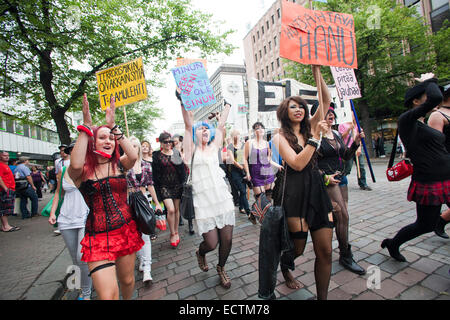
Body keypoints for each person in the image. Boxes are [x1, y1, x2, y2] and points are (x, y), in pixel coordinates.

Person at [68, 94, 143, 300]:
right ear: (93, 143)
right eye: (102, 137)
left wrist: (114, 127)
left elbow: (134, 156)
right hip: (97, 236)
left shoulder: (118, 165)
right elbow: (74, 165)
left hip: (125, 229)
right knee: (108, 294)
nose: (108, 140)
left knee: (127, 281)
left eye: (110, 138)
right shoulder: (82, 171)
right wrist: (86, 127)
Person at [271, 65, 334, 300]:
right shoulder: (279, 137)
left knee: (325, 251)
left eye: (300, 106)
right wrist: (316, 138)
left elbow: (325, 99)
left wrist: (317, 71)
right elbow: (297, 164)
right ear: (284, 113)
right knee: (297, 249)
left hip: (317, 191)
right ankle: (286, 266)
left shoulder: (311, 125)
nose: (298, 109)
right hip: (295, 194)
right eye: (292, 106)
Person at [381, 74, 450, 262]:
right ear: (416, 101)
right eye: (426, 96)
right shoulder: (406, 121)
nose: (434, 100)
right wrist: (430, 80)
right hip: (429, 181)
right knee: (425, 225)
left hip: (446, 178)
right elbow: (436, 97)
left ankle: (441, 223)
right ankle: (394, 243)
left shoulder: (422, 122)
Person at [178, 89, 235, 289]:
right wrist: (183, 102)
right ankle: (201, 253)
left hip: (221, 197)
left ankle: (221, 267)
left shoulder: (213, 147)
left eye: (205, 129)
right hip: (203, 202)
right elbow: (187, 124)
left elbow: (221, 126)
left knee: (227, 239)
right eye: (200, 129)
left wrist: (228, 104)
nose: (204, 131)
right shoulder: (190, 151)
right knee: (211, 243)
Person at [317, 104, 366, 275]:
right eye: (327, 113)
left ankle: (338, 247)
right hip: (328, 181)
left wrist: (355, 143)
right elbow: (310, 163)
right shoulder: (316, 136)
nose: (331, 115)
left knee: (341, 217)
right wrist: (324, 177)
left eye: (332, 113)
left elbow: (345, 155)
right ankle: (345, 255)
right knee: (343, 215)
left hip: (341, 177)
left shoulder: (336, 134)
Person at [48, 142, 92, 300]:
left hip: (85, 216)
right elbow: (59, 193)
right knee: (75, 258)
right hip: (66, 218)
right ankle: (83, 286)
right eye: (73, 151)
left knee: (82, 256)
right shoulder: (64, 170)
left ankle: (86, 293)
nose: (77, 153)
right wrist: (53, 212)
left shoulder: (90, 169)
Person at [126, 136, 163, 285]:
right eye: (131, 146)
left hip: (143, 201)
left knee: (146, 234)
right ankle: (141, 260)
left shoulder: (145, 165)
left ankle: (147, 268)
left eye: (136, 146)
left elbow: (150, 184)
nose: (133, 148)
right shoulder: (122, 166)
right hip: (128, 203)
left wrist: (156, 203)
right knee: (135, 235)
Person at [152, 132, 186, 248]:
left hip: (177, 185)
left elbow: (181, 169)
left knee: (176, 210)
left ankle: (176, 232)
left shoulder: (175, 153)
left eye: (169, 141)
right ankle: (172, 233)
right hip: (164, 186)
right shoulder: (156, 155)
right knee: (170, 210)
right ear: (161, 143)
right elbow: (155, 175)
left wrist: (184, 182)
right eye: (165, 142)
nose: (168, 144)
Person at [427, 85, 450, 239]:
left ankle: (441, 221)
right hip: (445, 165)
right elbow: (435, 145)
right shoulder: (437, 115)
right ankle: (439, 221)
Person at [244, 122, 282, 201]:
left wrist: (278, 166)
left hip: (268, 174)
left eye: (262, 128)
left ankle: (269, 214)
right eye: (257, 128)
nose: (260, 129)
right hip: (256, 174)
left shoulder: (267, 143)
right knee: (260, 201)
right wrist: (247, 173)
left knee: (269, 200)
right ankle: (258, 213)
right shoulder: (249, 143)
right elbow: (244, 159)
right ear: (254, 131)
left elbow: (269, 160)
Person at [339, 116, 373, 191]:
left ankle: (363, 184)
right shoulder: (342, 125)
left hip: (357, 148)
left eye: (353, 116)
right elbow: (341, 137)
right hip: (348, 148)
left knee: (361, 166)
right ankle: (341, 180)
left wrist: (359, 148)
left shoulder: (357, 126)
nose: (352, 117)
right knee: (348, 167)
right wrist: (348, 130)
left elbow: (360, 137)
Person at [227, 129, 252, 221]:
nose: (238, 137)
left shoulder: (242, 145)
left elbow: (243, 159)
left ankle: (241, 207)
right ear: (233, 137)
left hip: (242, 171)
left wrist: (247, 171)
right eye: (236, 135)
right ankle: (248, 212)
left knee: (243, 191)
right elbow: (233, 161)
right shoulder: (230, 146)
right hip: (235, 172)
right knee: (243, 191)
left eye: (238, 135)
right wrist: (242, 168)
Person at [141, 140, 158, 240]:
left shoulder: (152, 159)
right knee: (148, 208)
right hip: (145, 186)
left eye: (146, 146)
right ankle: (152, 230)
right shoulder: (138, 161)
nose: (144, 148)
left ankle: (156, 223)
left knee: (155, 206)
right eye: (142, 146)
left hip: (154, 185)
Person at [0, 151, 20, 232]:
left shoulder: (5, 166)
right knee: (4, 208)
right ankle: (6, 226)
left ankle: (5, 225)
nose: (7, 157)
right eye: (4, 155)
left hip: (9, 188)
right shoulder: (1, 166)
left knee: (6, 208)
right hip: (5, 190)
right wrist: (5, 188)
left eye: (7, 155)